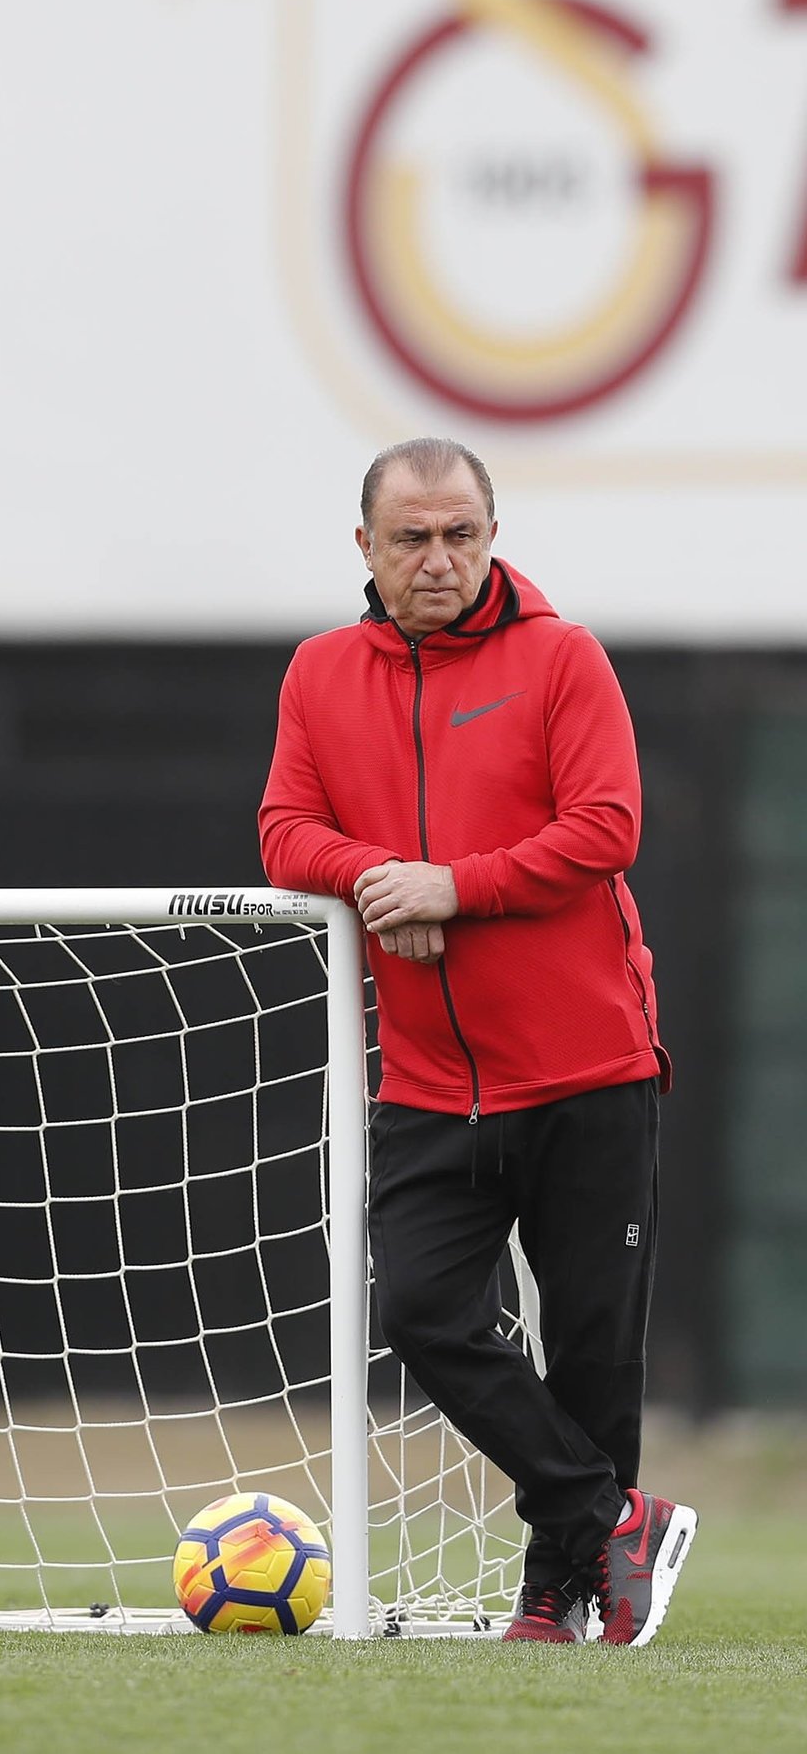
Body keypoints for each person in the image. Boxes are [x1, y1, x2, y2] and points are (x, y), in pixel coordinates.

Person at [257, 436, 696, 1645]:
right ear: (366, 547)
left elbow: (605, 826)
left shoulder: (560, 657)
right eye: (412, 537)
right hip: (432, 1083)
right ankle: (614, 1518)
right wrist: (380, 879)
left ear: (492, 536)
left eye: (461, 534)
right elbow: (286, 830)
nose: (439, 558)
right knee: (424, 1314)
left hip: (590, 1069)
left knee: (595, 1354)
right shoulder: (318, 674)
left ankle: (558, 1589)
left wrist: (459, 886)